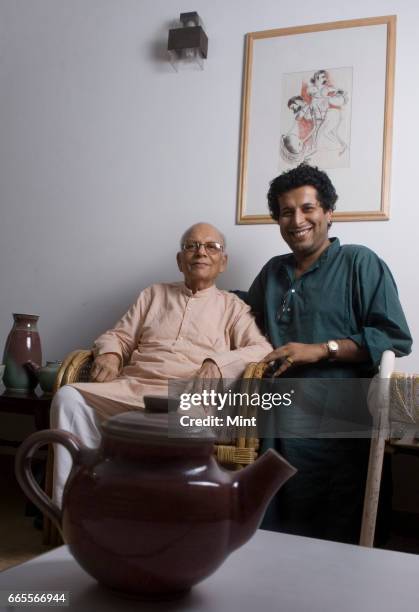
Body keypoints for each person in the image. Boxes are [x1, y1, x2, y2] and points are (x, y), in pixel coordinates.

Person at [243, 164, 412, 543]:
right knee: (272, 534)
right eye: (286, 212)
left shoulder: (359, 262)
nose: (297, 220)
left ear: (328, 213)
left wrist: (321, 350)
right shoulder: (273, 272)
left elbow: (394, 337)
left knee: (335, 539)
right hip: (275, 427)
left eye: (307, 209)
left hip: (339, 429)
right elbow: (241, 321)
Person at [51, 222, 273, 505]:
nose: (200, 253)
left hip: (185, 397)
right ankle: (69, 506)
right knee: (68, 398)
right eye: (191, 246)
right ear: (180, 261)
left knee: (191, 420)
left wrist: (217, 362)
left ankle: (163, 512)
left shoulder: (232, 307)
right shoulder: (153, 295)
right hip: (131, 388)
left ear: (223, 262)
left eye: (211, 247)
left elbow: (262, 349)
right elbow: (118, 336)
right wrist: (111, 353)